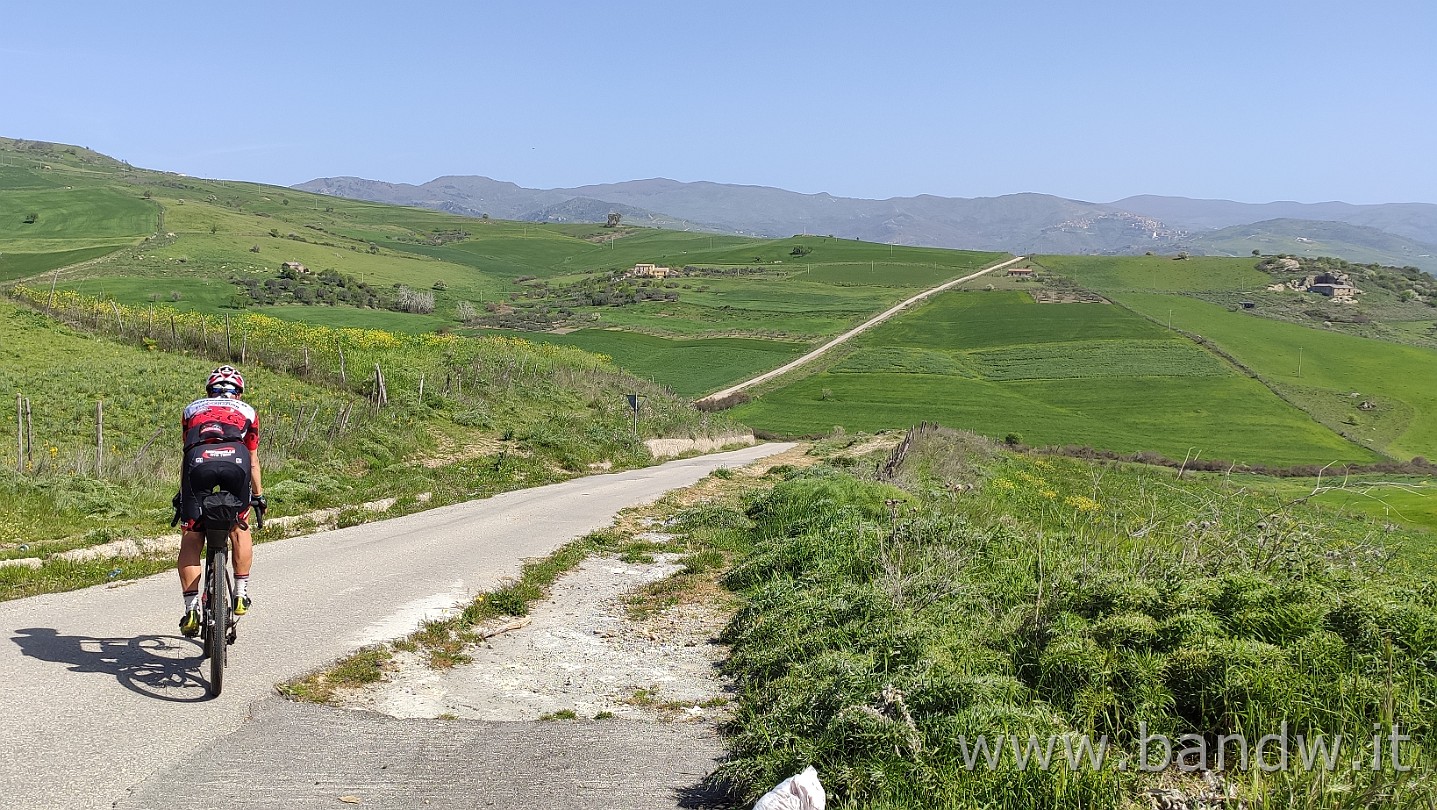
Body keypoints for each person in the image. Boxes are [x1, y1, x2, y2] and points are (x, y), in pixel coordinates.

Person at [174, 365, 266, 637]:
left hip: (198, 461)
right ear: (239, 392)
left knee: (192, 533)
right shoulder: (248, 411)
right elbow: (253, 460)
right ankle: (240, 594)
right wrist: (258, 497)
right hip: (236, 459)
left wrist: (184, 495)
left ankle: (191, 609)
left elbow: (187, 451)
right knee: (239, 526)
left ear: (209, 390)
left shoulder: (192, 409)